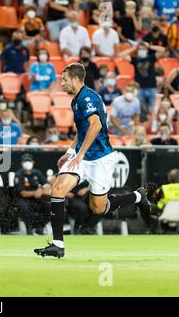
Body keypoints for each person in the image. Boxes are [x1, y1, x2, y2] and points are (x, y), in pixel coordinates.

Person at [34, 63, 151, 258]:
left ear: (75, 79)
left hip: (100, 158)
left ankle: (138, 197)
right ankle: (57, 244)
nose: (61, 83)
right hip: (81, 156)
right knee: (58, 188)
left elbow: (95, 126)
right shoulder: (76, 100)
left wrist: (80, 154)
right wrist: (70, 151)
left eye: (64, 79)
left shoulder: (88, 97)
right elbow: (82, 131)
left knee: (99, 208)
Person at [119, 42, 165, 117]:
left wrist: (150, 46)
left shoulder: (151, 58)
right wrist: (134, 48)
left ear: (147, 50)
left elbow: (162, 50)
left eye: (143, 49)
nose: (141, 50)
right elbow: (122, 55)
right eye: (140, 49)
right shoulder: (135, 59)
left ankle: (152, 126)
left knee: (152, 110)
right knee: (140, 110)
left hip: (151, 87)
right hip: (139, 88)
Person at [14, 154, 51, 235]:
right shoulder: (19, 174)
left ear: (33, 162)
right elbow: (22, 193)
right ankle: (29, 228)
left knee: (50, 207)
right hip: (24, 199)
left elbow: (47, 184)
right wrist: (35, 193)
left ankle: (40, 227)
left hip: (38, 199)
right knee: (24, 208)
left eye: (29, 161)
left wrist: (41, 189)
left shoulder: (37, 173)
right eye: (25, 161)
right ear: (21, 163)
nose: (27, 163)